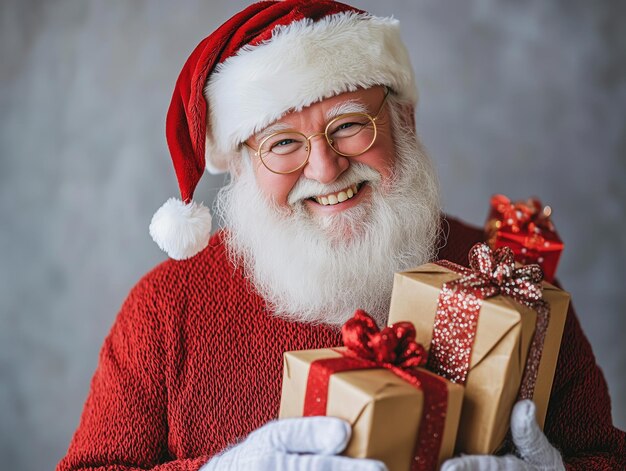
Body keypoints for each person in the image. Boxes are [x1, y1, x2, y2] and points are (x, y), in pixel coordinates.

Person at [57, 1, 625, 470]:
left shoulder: (505, 279)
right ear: (244, 166)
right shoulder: (165, 309)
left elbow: (605, 456)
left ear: (403, 121)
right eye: (283, 143)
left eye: (350, 124)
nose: (325, 169)